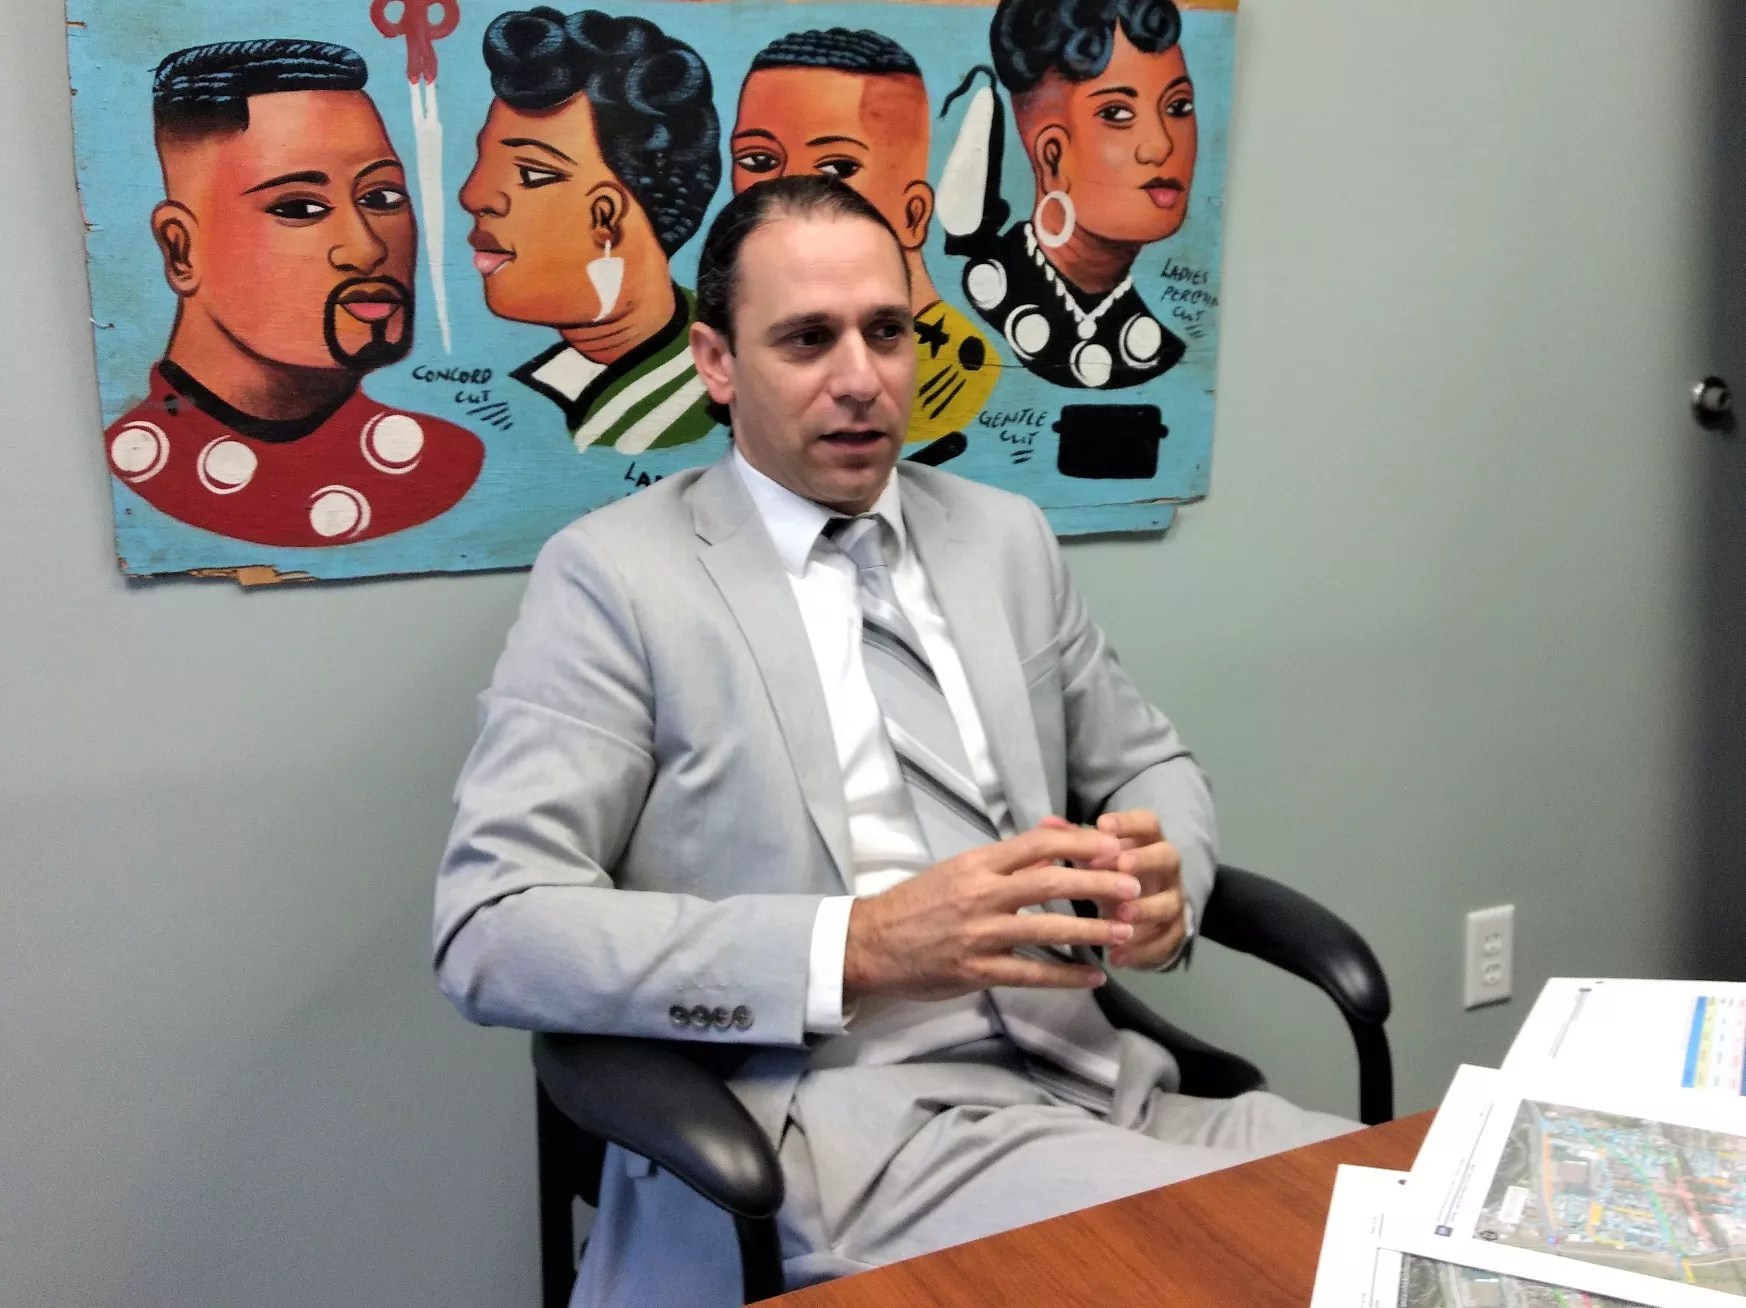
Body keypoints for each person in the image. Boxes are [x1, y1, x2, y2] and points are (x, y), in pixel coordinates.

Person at [434, 175, 1353, 1308]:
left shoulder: (1003, 538)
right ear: (716, 363)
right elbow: (492, 928)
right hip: (844, 1133)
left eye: (886, 331)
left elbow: (1147, 760)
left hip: (1103, 1078)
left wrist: (1169, 881)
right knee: (1267, 1263)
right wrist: (856, 945)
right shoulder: (616, 579)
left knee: (1412, 1211)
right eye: (807, 340)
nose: (862, 379)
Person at [106, 40, 483, 547]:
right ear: (182, 251)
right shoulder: (129, 470)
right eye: (300, 208)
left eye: (381, 197)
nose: (367, 248)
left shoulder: (443, 463)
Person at [460, 7, 721, 457]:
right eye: (484, 162)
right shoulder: (538, 390)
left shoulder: (708, 402)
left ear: (606, 217)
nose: (474, 194)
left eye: (531, 174)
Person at [731, 29, 998, 449]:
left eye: (837, 169)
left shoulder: (957, 375)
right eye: (759, 160)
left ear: (913, 215)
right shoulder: (732, 350)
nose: (790, 193)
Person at [943, 0, 1197, 391]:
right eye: (1117, 114)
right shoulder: (973, 306)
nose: (1161, 145)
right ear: (1053, 157)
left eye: (1178, 106)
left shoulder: (1159, 346)